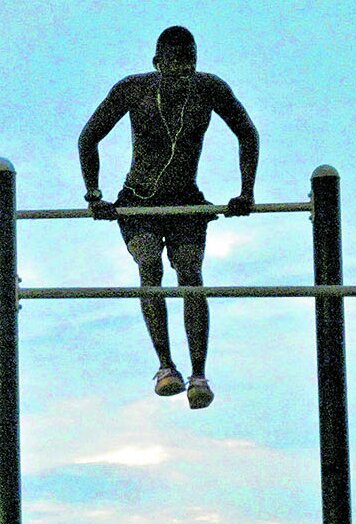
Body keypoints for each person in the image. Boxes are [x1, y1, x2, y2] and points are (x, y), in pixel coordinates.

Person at [78, 26, 259, 410]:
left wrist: (246, 192)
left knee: (190, 272)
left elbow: (247, 133)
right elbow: (88, 137)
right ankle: (165, 366)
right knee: (149, 265)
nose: (180, 73)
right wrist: (94, 195)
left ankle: (198, 374)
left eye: (188, 65)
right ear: (157, 63)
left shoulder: (210, 89)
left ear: (196, 64)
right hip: (139, 200)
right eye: (173, 65)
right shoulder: (133, 90)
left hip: (184, 200)